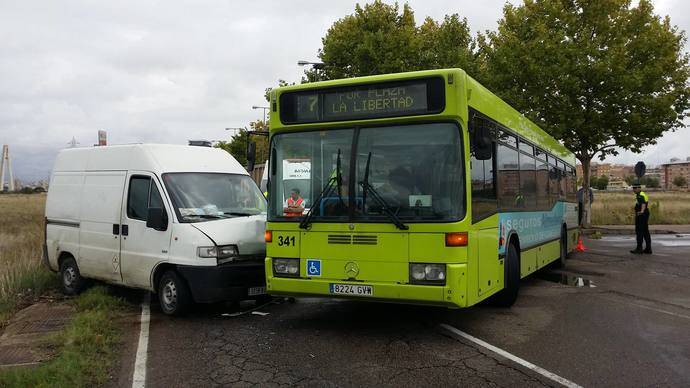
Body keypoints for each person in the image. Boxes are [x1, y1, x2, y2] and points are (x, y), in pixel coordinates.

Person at [630, 184, 652, 254]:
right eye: (633, 188)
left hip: (641, 215)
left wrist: (641, 211)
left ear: (639, 188)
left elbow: (643, 203)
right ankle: (648, 249)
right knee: (645, 231)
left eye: (635, 188)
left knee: (639, 231)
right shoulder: (641, 194)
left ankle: (639, 249)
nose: (633, 190)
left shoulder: (640, 195)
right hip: (645, 214)